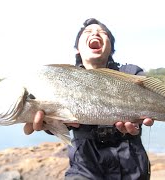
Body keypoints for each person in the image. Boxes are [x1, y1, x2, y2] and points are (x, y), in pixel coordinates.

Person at [24, 18, 154, 180]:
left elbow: (152, 95)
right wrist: (49, 125)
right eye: (87, 32)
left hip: (132, 167)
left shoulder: (130, 73)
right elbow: (58, 122)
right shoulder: (63, 80)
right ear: (77, 49)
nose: (95, 33)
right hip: (85, 168)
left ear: (111, 48)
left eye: (102, 32)